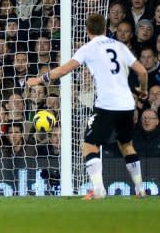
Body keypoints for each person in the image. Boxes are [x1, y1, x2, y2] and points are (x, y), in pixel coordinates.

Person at [27, 13, 148, 199]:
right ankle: (140, 189)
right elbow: (142, 71)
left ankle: (99, 190)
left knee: (89, 145)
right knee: (126, 145)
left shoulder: (88, 48)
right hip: (126, 104)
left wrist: (39, 79)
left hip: (106, 105)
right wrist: (143, 90)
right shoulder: (119, 46)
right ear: (105, 28)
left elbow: (64, 70)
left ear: (87, 30)